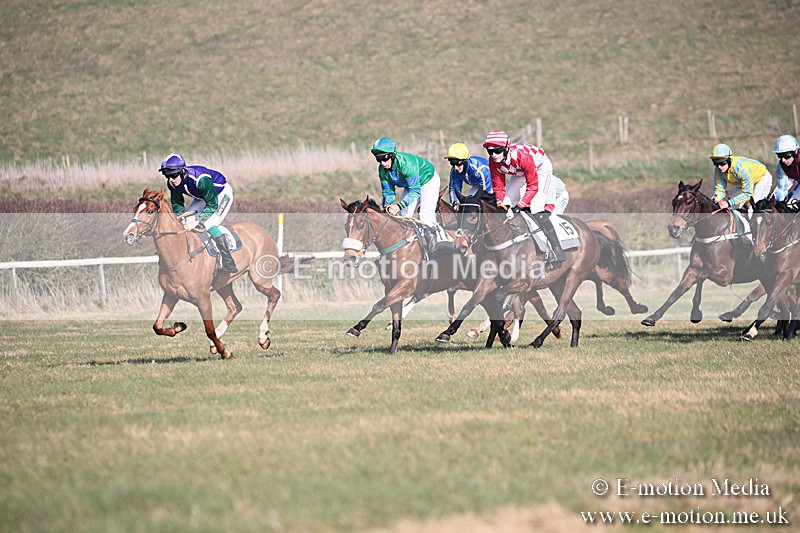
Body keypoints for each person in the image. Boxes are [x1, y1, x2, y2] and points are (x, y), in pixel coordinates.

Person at [482, 129, 566, 266]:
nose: (494, 155)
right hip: (520, 171)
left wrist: (521, 205)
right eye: (490, 151)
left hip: (540, 169)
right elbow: (498, 187)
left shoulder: (522, 156)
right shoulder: (493, 161)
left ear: (506, 148)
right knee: (506, 204)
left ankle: (557, 249)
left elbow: (532, 186)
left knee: (536, 207)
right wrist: (501, 203)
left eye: (497, 150)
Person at [371, 137, 452, 253]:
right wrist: (387, 206)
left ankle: (445, 245)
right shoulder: (382, 170)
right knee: (403, 216)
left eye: (384, 158)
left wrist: (398, 206)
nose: (382, 163)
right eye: (378, 160)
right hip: (411, 186)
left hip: (428, 180)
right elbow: (388, 193)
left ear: (393, 155)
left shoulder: (406, 164)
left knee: (425, 216)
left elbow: (415, 191)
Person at [159, 153, 238, 273]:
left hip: (220, 195)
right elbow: (177, 203)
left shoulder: (201, 179)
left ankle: (228, 261)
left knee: (208, 223)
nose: (171, 180)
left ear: (182, 171)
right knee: (185, 222)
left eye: (174, 175)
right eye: (167, 176)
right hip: (201, 197)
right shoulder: (172, 183)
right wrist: (180, 218)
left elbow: (212, 204)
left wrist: (198, 220)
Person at [709, 143, 772, 212]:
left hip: (761, 179)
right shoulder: (718, 170)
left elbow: (747, 193)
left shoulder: (741, 168)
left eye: (722, 163)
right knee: (730, 208)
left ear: (729, 160)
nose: (719, 167)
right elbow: (720, 190)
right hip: (743, 183)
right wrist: (715, 200)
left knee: (753, 209)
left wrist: (728, 203)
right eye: (716, 163)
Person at [772, 134, 800, 204]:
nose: (783, 160)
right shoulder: (781, 166)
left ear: (795, 152)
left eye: (786, 155)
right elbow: (782, 189)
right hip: (794, 177)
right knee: (775, 198)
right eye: (780, 156)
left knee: (792, 204)